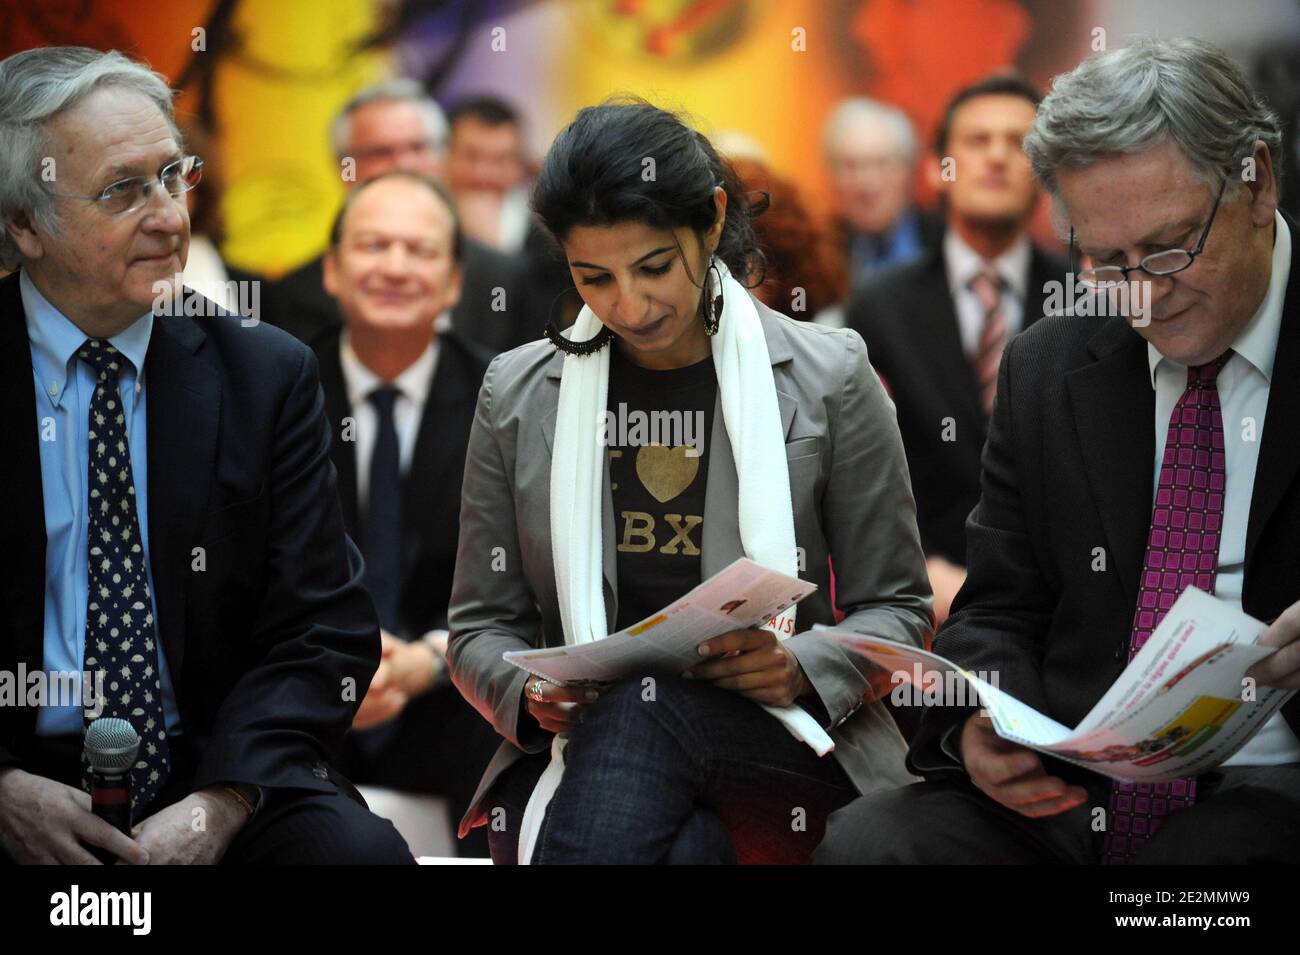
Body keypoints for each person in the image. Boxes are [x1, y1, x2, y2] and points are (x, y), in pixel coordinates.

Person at [816, 37, 1300, 865]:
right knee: (869, 845)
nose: (1142, 294)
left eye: (1170, 247)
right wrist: (982, 722)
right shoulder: (1051, 364)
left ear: (1257, 181)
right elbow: (998, 608)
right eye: (1107, 260)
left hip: (1267, 788)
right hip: (1075, 783)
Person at [447, 97, 933, 864]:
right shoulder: (518, 390)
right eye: (593, 277)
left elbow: (899, 611)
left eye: (653, 267)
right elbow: (477, 627)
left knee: (646, 710)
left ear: (711, 222)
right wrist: (535, 695)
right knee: (689, 842)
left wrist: (800, 664)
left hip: (782, 738)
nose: (630, 306)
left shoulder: (830, 374)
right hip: (585, 746)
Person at [0, 46, 413, 864]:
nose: (168, 216)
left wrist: (223, 802)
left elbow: (322, 626)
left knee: (359, 857)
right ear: (23, 225)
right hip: (19, 767)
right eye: (123, 189)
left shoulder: (265, 372)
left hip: (220, 759)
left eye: (173, 175)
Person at [313, 171, 502, 856]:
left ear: (454, 282)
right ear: (332, 269)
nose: (394, 267)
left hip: (456, 702)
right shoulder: (275, 391)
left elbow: (531, 592)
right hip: (305, 703)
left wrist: (426, 658)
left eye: (419, 251)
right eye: (373, 246)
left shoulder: (503, 399)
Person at [843, 75, 1067, 625]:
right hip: (919, 600)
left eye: (1018, 143)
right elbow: (855, 477)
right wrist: (914, 571)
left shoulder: (1087, 302)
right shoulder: (879, 308)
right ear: (934, 168)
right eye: (976, 140)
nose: (996, 157)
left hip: (1059, 603)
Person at [269, 79, 531, 355]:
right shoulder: (294, 297)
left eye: (418, 148)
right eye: (380, 152)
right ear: (343, 166)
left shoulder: (505, 278)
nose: (404, 165)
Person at [821, 97, 941, 290]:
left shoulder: (947, 240)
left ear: (908, 171)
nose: (867, 184)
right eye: (851, 166)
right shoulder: (820, 252)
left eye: (882, 164)